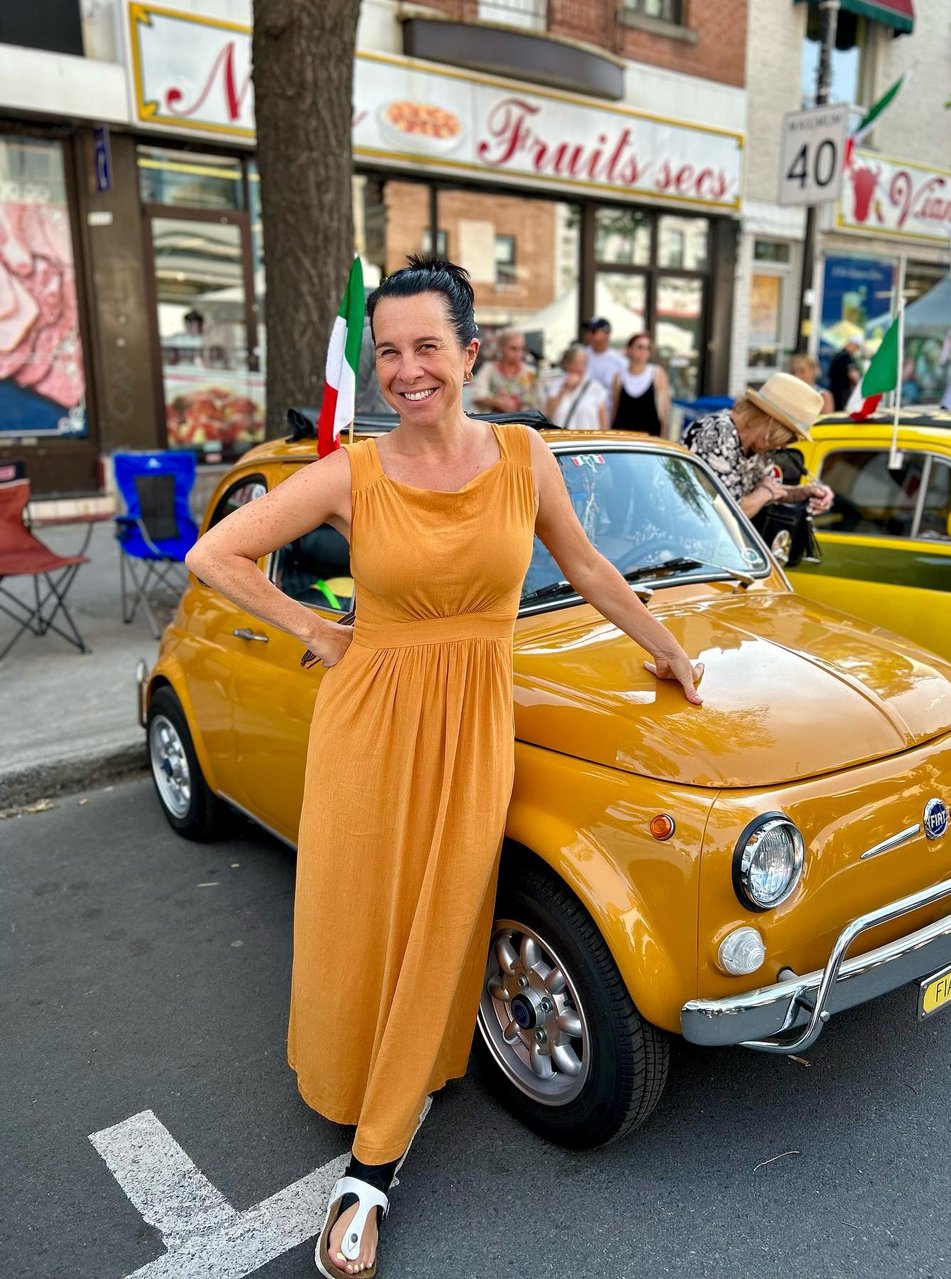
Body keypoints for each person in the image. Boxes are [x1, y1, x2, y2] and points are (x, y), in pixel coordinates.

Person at [184, 256, 704, 1279]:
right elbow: (216, 555)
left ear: (471, 352)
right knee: (361, 916)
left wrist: (670, 650)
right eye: (389, 352)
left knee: (447, 914)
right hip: (369, 722)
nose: (408, 369)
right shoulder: (352, 472)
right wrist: (317, 630)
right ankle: (367, 1143)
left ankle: (372, 1157)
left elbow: (589, 565)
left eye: (428, 345)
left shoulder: (524, 455)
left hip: (473, 721)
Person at [684, 372, 834, 520]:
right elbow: (725, 515)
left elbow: (768, 489)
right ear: (772, 425)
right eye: (788, 438)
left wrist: (805, 492)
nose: (783, 447)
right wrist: (764, 493)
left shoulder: (758, 446)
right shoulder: (716, 433)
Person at [610, 332, 671, 435]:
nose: (644, 351)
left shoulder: (657, 374)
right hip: (623, 440)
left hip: (649, 441)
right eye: (640, 347)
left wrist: (664, 439)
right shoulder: (619, 377)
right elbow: (614, 410)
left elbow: (665, 411)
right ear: (629, 350)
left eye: (647, 348)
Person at [471, 329, 539, 414]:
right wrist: (498, 402)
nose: (519, 353)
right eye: (513, 349)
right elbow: (477, 396)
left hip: (525, 423)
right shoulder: (489, 369)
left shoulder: (530, 372)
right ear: (502, 348)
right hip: (495, 423)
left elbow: (539, 402)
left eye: (521, 349)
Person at [545, 343, 608, 429]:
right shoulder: (556, 386)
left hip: (589, 441)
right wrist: (565, 388)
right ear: (567, 364)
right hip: (564, 440)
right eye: (575, 363)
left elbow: (604, 424)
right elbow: (548, 414)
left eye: (583, 364)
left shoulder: (596, 388)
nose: (579, 368)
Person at [583, 316, 627, 400]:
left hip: (608, 410)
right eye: (587, 331)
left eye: (593, 331)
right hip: (583, 411)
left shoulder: (619, 361)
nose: (588, 334)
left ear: (607, 334)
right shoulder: (581, 356)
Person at [827, 337, 862, 412]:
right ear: (852, 345)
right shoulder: (846, 357)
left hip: (834, 389)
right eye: (857, 347)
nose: (856, 350)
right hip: (842, 392)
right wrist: (859, 386)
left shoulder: (838, 355)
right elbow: (853, 374)